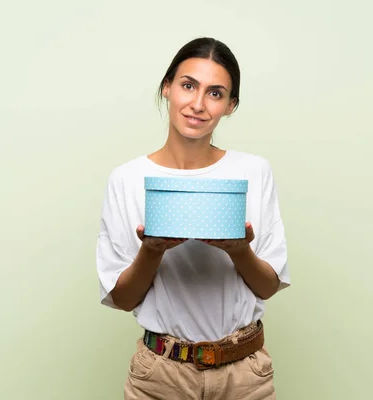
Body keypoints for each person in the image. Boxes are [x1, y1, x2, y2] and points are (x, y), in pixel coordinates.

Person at [96, 37, 290, 399]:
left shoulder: (254, 172)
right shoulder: (126, 180)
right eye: (188, 86)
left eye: (215, 94)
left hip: (245, 374)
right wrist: (152, 251)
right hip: (160, 375)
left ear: (230, 105)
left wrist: (239, 251)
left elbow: (267, 287)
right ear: (167, 87)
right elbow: (122, 299)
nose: (198, 104)